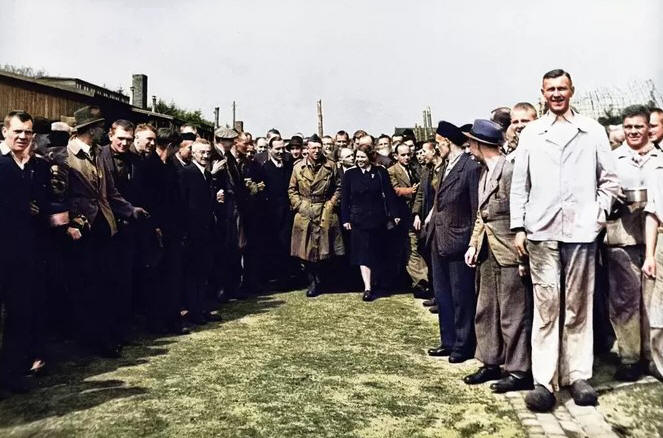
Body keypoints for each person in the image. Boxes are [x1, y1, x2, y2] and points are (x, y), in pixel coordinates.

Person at [510, 69, 620, 412]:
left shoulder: (591, 131)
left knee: (577, 305)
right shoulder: (531, 133)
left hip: (581, 233)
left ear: (571, 91)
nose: (556, 94)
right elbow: (520, 185)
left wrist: (598, 213)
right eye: (550, 89)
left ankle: (578, 376)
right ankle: (544, 381)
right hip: (541, 233)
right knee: (546, 308)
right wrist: (519, 227)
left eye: (562, 88)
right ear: (542, 93)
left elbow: (611, 181)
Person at [65, 106, 147, 358]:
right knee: (87, 287)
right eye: (100, 126)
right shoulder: (66, 155)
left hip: (104, 226)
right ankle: (92, 340)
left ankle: (103, 336)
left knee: (104, 285)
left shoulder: (98, 154)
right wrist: (70, 223)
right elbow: (61, 195)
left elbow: (110, 193)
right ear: (90, 129)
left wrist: (130, 210)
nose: (102, 130)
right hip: (81, 229)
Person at [463, 119, 533, 393]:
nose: (469, 147)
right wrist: (472, 245)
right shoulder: (484, 173)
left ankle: (518, 371)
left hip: (509, 252)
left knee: (513, 314)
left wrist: (523, 255)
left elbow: (521, 211)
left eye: (471, 142)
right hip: (487, 253)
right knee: (486, 310)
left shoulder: (509, 170)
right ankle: (490, 362)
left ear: (481, 144)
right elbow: (483, 215)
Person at [603, 105, 662, 381]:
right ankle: (629, 357)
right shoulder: (614, 160)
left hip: (656, 240)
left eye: (638, 127)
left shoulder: (659, 159)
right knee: (624, 300)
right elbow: (602, 194)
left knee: (653, 302)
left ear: (649, 128)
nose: (633, 132)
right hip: (621, 238)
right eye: (628, 127)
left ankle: (653, 357)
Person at [0, 110, 49, 393]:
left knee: (21, 314)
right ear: (5, 131)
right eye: (17, 131)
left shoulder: (36, 166)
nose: (22, 136)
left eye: (28, 132)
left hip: (26, 253)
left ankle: (11, 375)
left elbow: (42, 204)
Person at [425, 121, 481, 363]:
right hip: (439, 239)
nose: (437, 149)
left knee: (461, 296)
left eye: (438, 144)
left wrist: (472, 242)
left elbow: (475, 208)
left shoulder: (469, 167)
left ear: (447, 142)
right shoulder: (446, 166)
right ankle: (447, 341)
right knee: (443, 293)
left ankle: (463, 344)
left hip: (459, 240)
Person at [341, 143, 400, 301]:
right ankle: (367, 288)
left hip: (378, 220)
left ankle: (377, 282)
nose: (359, 160)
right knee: (363, 255)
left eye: (362, 157)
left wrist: (394, 215)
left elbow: (389, 195)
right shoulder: (350, 175)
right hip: (358, 221)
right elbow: (345, 199)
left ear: (370, 157)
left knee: (377, 252)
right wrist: (345, 218)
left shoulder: (381, 172)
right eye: (357, 157)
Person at [288, 134, 345, 297]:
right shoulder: (298, 167)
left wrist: (331, 203)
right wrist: (299, 205)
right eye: (313, 148)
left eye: (319, 148)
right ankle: (312, 281)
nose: (316, 151)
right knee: (305, 250)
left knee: (324, 249)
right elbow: (292, 190)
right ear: (307, 149)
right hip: (305, 210)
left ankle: (322, 279)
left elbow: (339, 187)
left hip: (324, 210)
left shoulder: (331, 165)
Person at [179, 139, 217, 324]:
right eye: (201, 152)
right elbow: (184, 205)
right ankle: (194, 311)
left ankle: (202, 308)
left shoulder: (207, 175)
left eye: (208, 152)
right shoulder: (186, 173)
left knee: (204, 272)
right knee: (193, 274)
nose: (205, 156)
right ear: (193, 153)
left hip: (207, 232)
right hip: (193, 233)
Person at [388, 143, 429, 295]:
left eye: (408, 154)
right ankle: (420, 281)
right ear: (396, 156)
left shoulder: (414, 169)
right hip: (402, 215)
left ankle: (421, 281)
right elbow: (393, 189)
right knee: (411, 248)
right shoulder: (392, 171)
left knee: (416, 247)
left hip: (415, 214)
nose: (406, 157)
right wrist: (410, 191)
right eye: (403, 155)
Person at [261, 137, 297, 289]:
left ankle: (288, 277)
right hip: (272, 214)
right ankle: (277, 279)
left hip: (289, 212)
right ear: (270, 150)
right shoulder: (264, 168)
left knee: (288, 244)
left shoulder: (289, 166)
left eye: (283, 148)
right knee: (276, 245)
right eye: (277, 149)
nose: (281, 152)